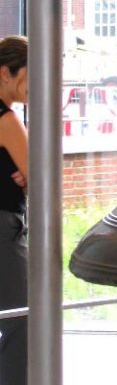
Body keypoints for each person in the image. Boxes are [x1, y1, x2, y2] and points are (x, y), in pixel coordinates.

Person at [0, 35, 28, 385]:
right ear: (5, 72)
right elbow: (44, 181)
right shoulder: (6, 120)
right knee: (23, 320)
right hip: (4, 228)